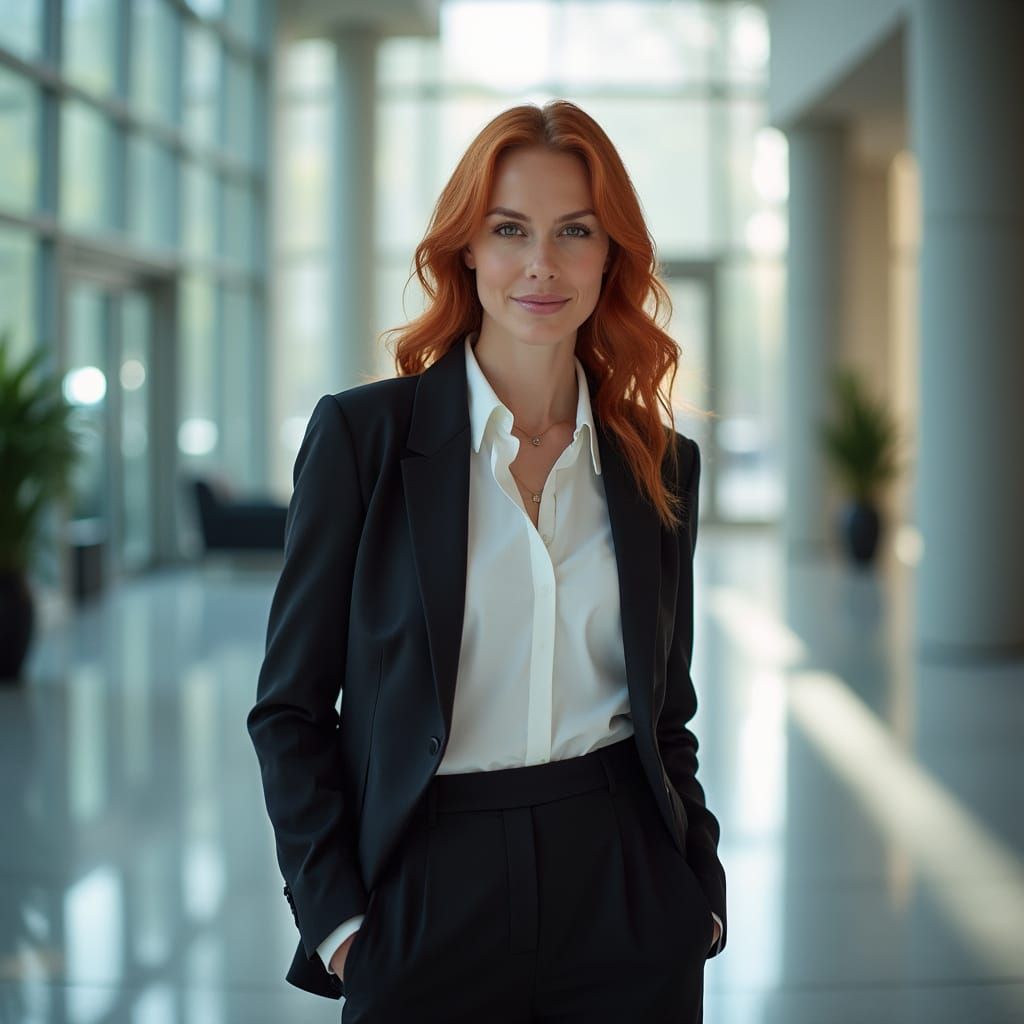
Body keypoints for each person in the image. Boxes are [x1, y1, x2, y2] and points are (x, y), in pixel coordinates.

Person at [247, 98, 726, 1024]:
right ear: (465, 248)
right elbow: (290, 708)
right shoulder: (363, 439)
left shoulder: (660, 463)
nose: (541, 263)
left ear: (611, 256)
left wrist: (695, 891)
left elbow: (667, 709)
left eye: (574, 231)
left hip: (624, 880)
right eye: (510, 229)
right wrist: (340, 922)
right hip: (427, 884)